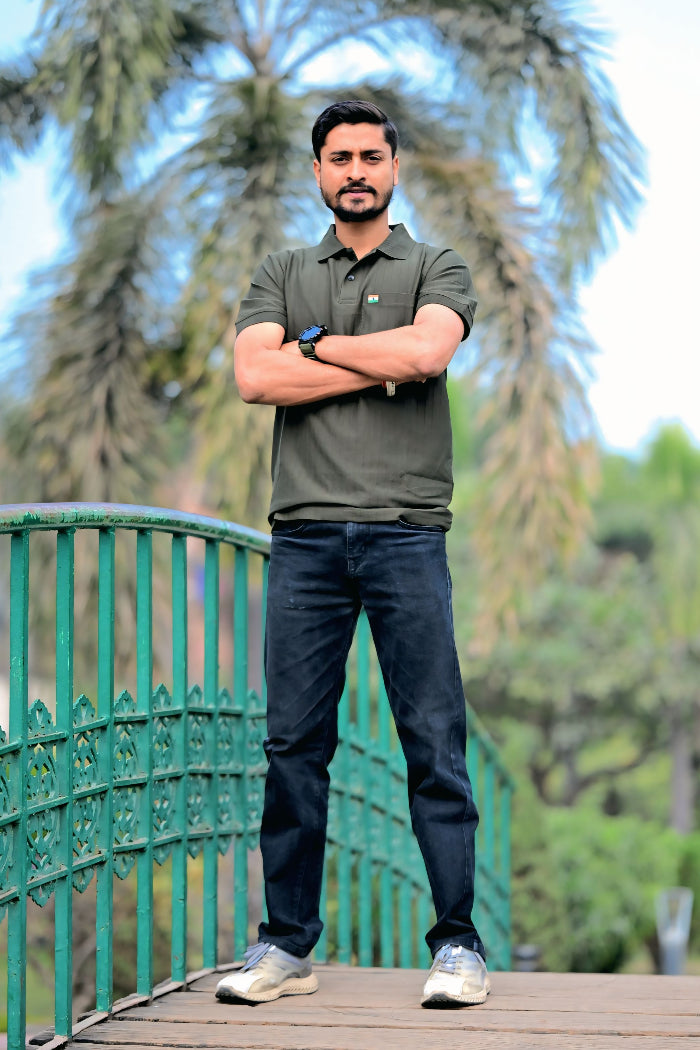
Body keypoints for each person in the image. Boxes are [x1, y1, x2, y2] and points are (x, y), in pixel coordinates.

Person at [214, 100, 488, 1009]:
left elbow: (427, 354)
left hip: (408, 532)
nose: (357, 170)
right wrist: (379, 357)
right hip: (304, 538)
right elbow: (255, 375)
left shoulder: (437, 266)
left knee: (433, 743)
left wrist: (316, 346)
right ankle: (285, 946)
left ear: (395, 168)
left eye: (372, 156)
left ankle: (458, 947)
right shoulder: (282, 271)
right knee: (294, 747)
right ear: (319, 172)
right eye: (340, 158)